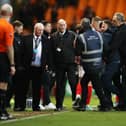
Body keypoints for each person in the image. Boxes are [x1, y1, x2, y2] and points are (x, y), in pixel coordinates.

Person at [75, 18, 111, 111]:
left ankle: (105, 104)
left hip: (89, 65)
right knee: (85, 82)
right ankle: (84, 104)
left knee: (97, 86)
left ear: (82, 26)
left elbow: (78, 53)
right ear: (90, 25)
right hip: (98, 64)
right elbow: (105, 48)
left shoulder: (81, 37)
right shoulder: (99, 34)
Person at [22, 23, 54, 111]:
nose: (40, 32)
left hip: (39, 67)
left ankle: (36, 106)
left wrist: (49, 65)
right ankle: (21, 105)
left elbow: (49, 54)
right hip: (28, 67)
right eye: (39, 30)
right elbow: (22, 53)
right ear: (34, 29)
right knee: (24, 86)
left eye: (42, 30)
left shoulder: (45, 40)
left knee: (37, 87)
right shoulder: (26, 38)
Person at [51, 19, 79, 111]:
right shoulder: (53, 36)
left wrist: (77, 59)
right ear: (57, 26)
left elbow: (77, 48)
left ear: (66, 25)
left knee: (73, 82)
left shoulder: (72, 35)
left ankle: (75, 100)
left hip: (71, 63)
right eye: (60, 25)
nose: (61, 26)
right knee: (59, 85)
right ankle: (59, 105)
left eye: (63, 25)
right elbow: (51, 51)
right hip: (59, 65)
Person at [100, 20, 120, 108]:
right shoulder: (112, 33)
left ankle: (121, 94)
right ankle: (108, 103)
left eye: (103, 25)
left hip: (113, 61)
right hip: (112, 61)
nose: (102, 27)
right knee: (109, 81)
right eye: (101, 26)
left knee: (105, 79)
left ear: (108, 26)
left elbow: (104, 47)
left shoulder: (106, 35)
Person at [0, 4, 15, 120]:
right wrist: (12, 64)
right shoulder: (8, 26)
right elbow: (9, 47)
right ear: (11, 14)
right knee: (3, 84)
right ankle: (2, 111)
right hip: (2, 57)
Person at [110, 12, 126, 110]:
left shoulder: (122, 31)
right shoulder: (120, 30)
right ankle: (122, 103)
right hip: (122, 61)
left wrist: (105, 50)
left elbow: (115, 46)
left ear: (118, 21)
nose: (112, 22)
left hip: (124, 61)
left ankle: (123, 105)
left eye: (114, 20)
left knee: (124, 83)